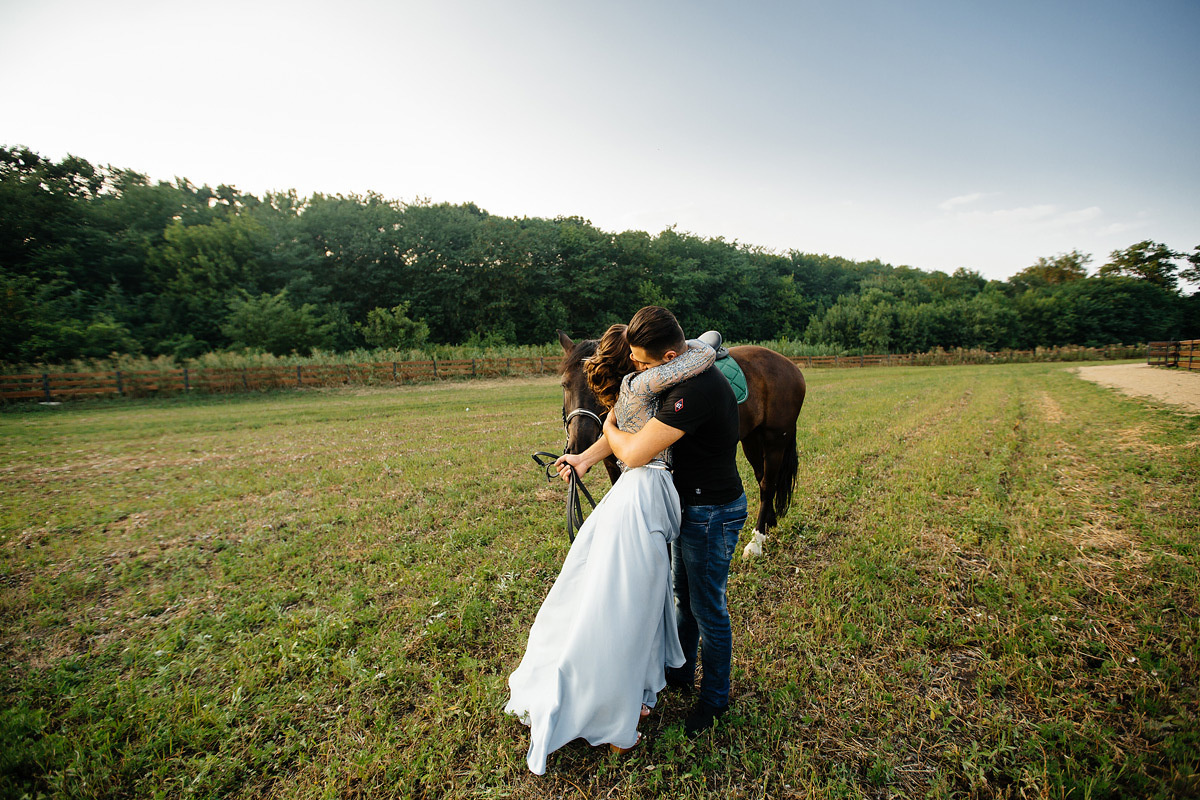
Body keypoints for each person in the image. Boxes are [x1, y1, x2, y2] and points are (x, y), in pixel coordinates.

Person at [504, 323, 716, 774]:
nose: (645, 363)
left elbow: (620, 436)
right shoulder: (644, 383)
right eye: (639, 357)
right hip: (643, 496)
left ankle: (632, 692)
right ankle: (616, 715)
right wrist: (697, 343)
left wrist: (586, 454)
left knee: (629, 600)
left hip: (638, 498)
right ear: (634, 361)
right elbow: (702, 352)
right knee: (631, 608)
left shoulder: (630, 389)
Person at [557, 306, 747, 738]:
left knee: (707, 607)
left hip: (712, 512)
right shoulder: (674, 374)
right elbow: (631, 425)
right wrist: (585, 458)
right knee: (683, 595)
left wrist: (610, 424)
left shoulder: (693, 389)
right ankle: (681, 672)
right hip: (689, 507)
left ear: (666, 358)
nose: (636, 370)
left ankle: (715, 699)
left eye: (641, 362)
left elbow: (636, 451)